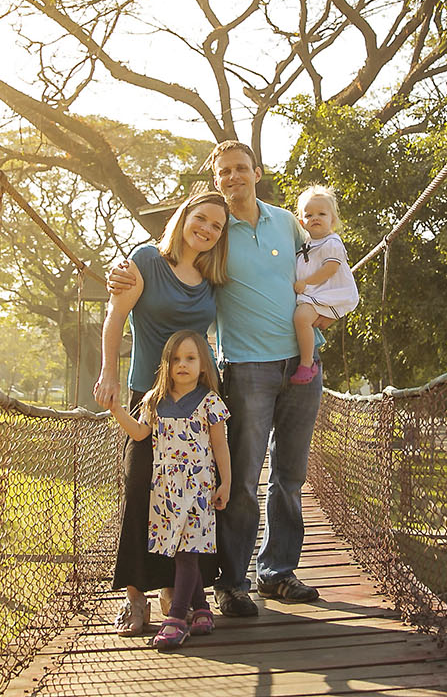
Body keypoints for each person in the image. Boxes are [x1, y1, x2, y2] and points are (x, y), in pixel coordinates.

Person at [109, 140, 328, 618]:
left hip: (303, 364)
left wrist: (325, 314)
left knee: (290, 477)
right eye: (224, 171)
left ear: (256, 171)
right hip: (246, 367)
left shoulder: (288, 223)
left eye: (241, 169)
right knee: (241, 479)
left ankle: (277, 571)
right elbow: (167, 265)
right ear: (215, 180)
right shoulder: (215, 239)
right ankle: (231, 581)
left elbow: (323, 270)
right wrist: (122, 271)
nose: (234, 178)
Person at [93, 191, 230, 637]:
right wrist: (109, 375)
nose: (207, 229)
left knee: (193, 494)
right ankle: (136, 596)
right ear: (184, 217)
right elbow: (115, 318)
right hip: (149, 395)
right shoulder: (147, 260)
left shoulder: (212, 274)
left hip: (199, 396)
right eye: (201, 218)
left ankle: (178, 589)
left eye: (217, 226)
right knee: (140, 491)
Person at [106, 330, 231, 650]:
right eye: (176, 359)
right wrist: (117, 410)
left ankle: (176, 620)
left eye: (190, 358)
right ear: (166, 364)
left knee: (187, 554)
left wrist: (225, 483)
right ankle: (202, 610)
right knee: (178, 552)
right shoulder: (154, 400)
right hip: (163, 493)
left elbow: (220, 446)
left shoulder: (210, 402)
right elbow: (138, 434)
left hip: (198, 491)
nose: (182, 364)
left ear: (204, 365)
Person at [289, 185, 359, 384]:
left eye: (321, 213)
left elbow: (329, 270)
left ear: (332, 220)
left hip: (329, 291)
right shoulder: (305, 245)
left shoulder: (332, 243)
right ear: (302, 222)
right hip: (314, 293)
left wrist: (305, 283)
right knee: (305, 319)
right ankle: (307, 358)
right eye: (309, 215)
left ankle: (306, 363)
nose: (315, 218)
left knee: (301, 318)